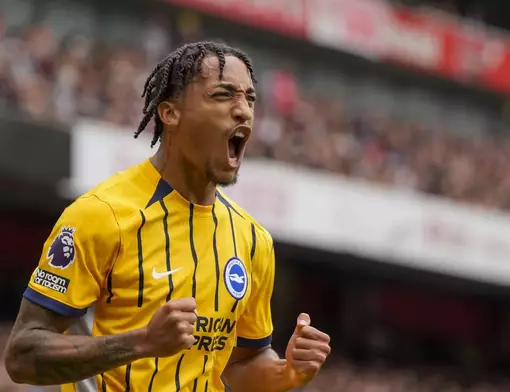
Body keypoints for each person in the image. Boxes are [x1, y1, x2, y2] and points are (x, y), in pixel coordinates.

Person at [3, 41, 331, 392]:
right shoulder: (103, 214)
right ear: (170, 113)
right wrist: (141, 342)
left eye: (250, 99)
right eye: (223, 95)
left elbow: (240, 363)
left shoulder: (253, 242)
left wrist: (288, 371)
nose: (243, 112)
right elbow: (23, 355)